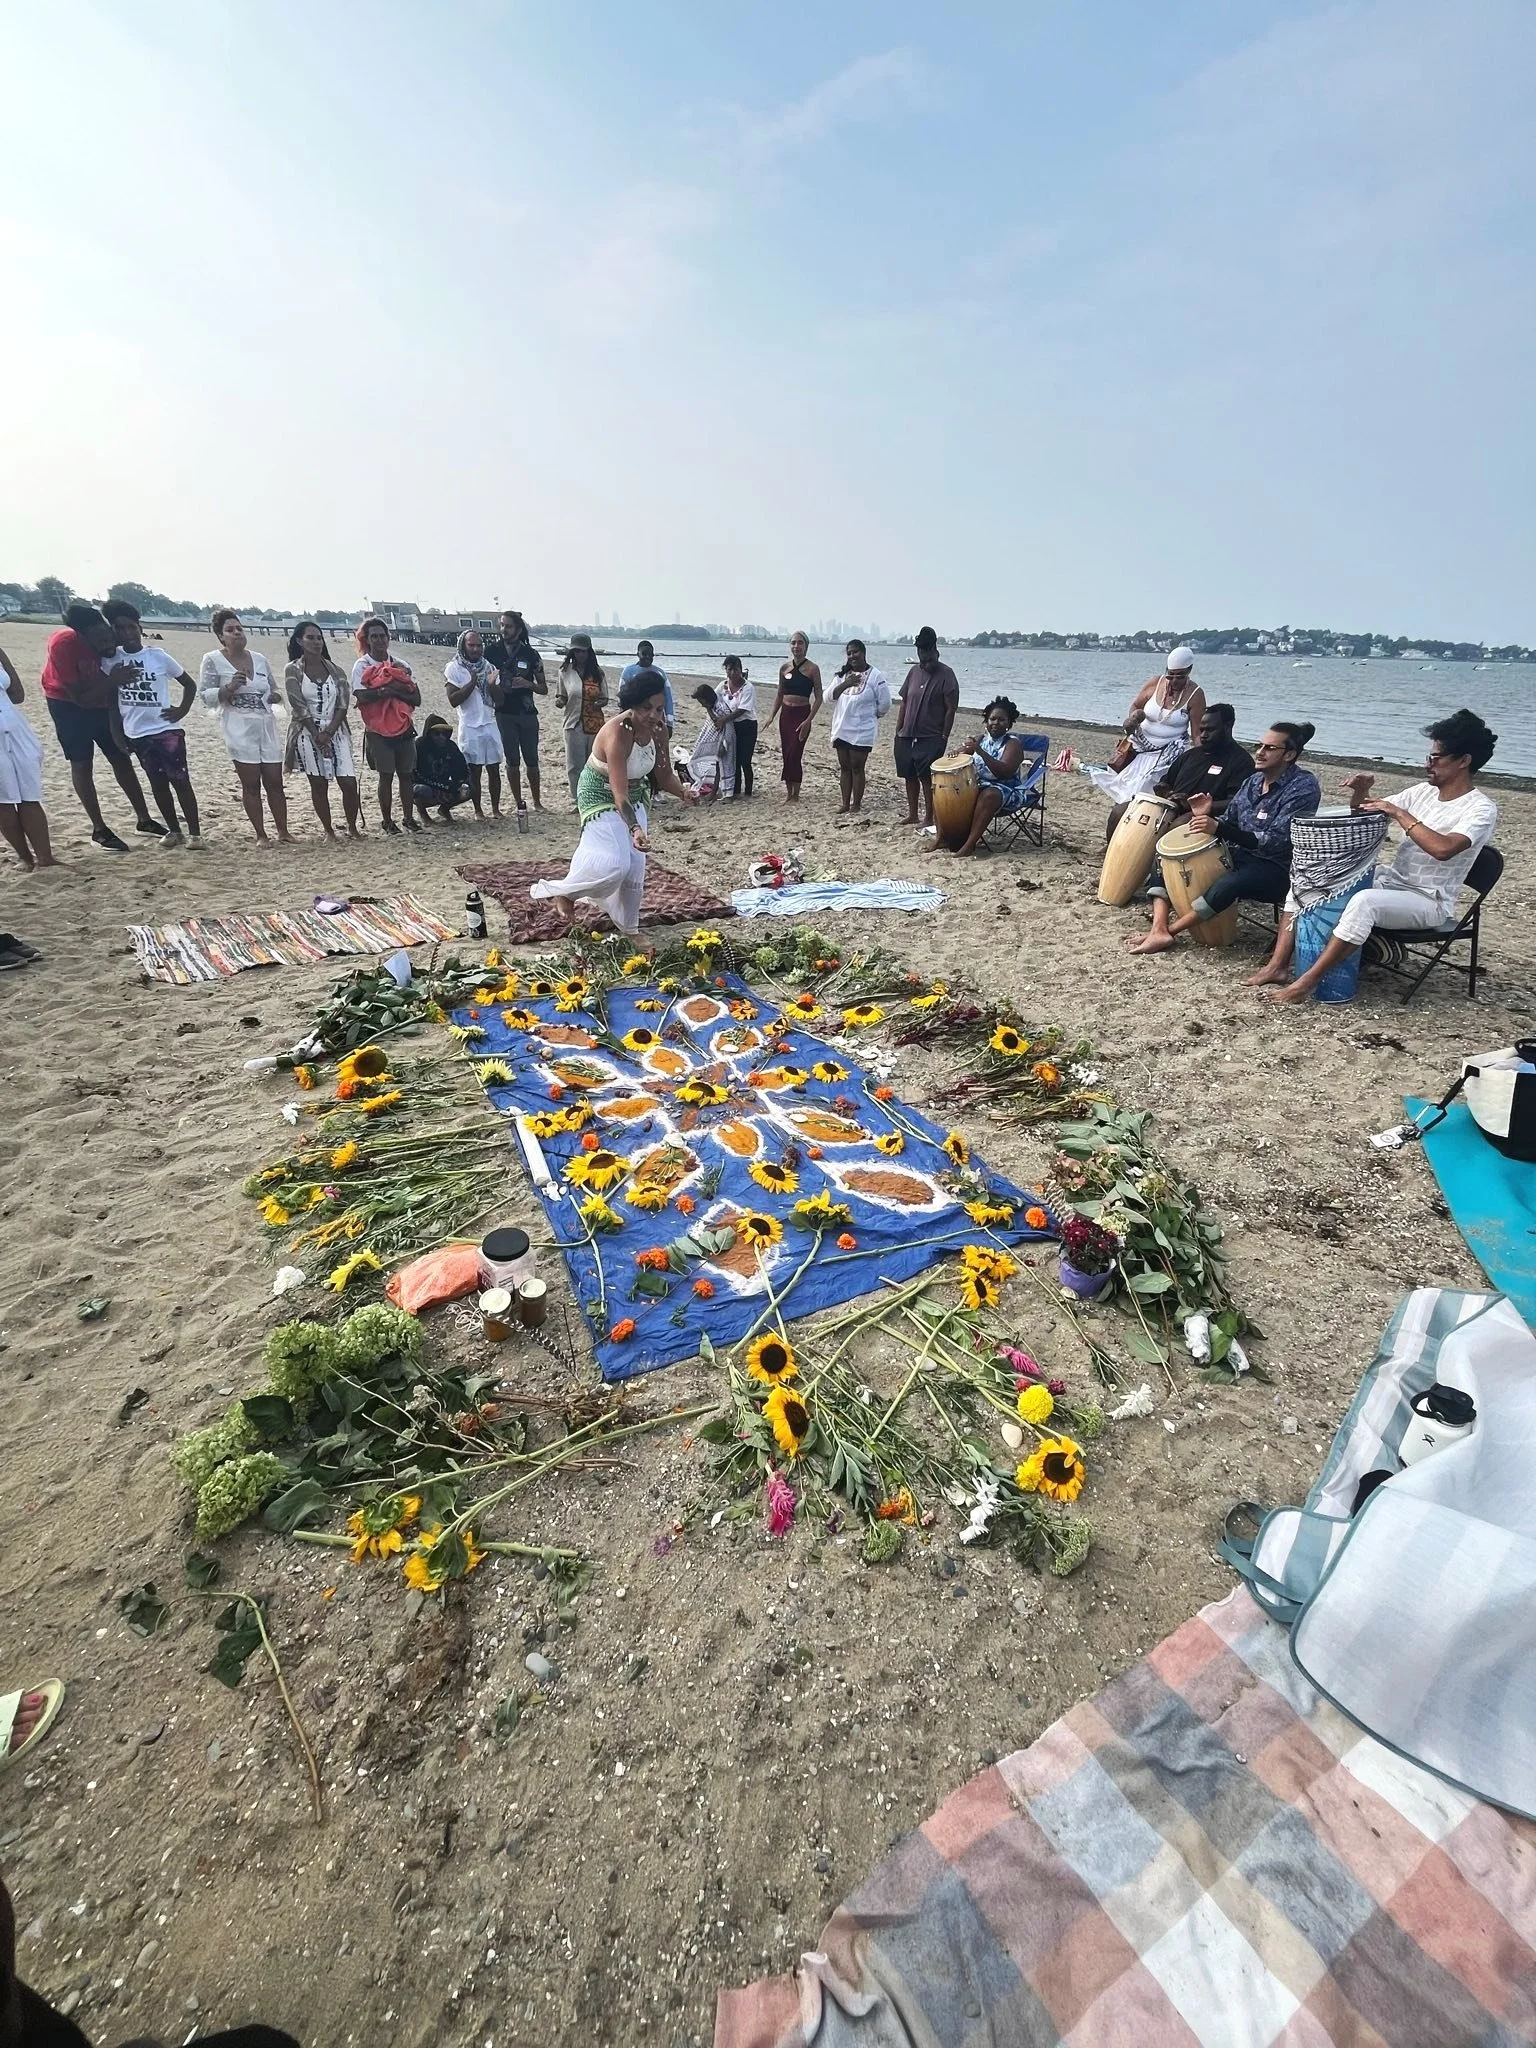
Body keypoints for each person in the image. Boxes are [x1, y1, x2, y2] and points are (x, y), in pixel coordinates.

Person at [1252, 709, 1500, 1003]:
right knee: (1308, 879)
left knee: (1364, 902)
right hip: (1393, 883)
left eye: (1436, 757)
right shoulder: (1422, 792)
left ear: (1463, 761)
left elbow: (1443, 849)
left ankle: (1306, 984)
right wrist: (1362, 792)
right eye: (1429, 756)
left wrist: (1400, 813)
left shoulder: (1479, 808)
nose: (1428, 763)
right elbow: (1363, 814)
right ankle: (1278, 966)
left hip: (1429, 900)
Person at [529, 670, 698, 935]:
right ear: (633, 704)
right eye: (646, 708)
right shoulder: (618, 732)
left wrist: (684, 792)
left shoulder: (659, 730)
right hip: (600, 793)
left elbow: (664, 775)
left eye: (659, 709)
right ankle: (566, 893)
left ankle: (630, 928)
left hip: (635, 793)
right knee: (616, 865)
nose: (654, 715)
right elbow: (619, 794)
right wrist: (635, 828)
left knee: (635, 866)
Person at [1129, 721, 1320, 954]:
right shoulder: (1253, 781)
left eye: (1270, 748)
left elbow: (1275, 841)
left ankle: (1170, 931)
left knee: (1231, 882)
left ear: (1289, 754)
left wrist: (1219, 828)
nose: (1260, 752)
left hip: (1276, 867)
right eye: (1259, 746)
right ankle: (1158, 928)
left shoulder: (1303, 786)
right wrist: (1205, 816)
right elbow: (1229, 821)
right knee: (1165, 855)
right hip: (1238, 854)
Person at [40, 602, 160, 851]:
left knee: (121, 756)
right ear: (83, 637)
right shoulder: (63, 645)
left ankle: (144, 820)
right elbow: (80, 699)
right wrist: (113, 680)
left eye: (109, 638)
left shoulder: (112, 634)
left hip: (103, 702)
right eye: (101, 643)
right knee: (82, 764)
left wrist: (118, 728)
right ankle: (99, 830)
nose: (108, 646)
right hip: (67, 704)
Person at [102, 600, 201, 848]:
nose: (127, 633)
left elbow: (189, 684)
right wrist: (117, 734)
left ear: (140, 627)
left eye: (131, 627)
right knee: (157, 784)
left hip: (166, 730)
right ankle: (174, 831)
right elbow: (112, 702)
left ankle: (196, 834)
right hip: (136, 733)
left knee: (180, 781)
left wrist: (182, 709)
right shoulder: (111, 661)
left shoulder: (157, 656)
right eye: (120, 628)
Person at [199, 608, 292, 845]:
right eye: (230, 630)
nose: (237, 633)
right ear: (221, 636)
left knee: (275, 782)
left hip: (266, 725)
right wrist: (229, 687)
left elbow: (273, 689)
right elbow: (205, 696)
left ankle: (283, 831)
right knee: (251, 784)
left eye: (239, 628)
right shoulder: (213, 659)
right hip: (238, 727)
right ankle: (261, 834)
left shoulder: (259, 659)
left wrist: (275, 697)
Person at [1104, 701, 1253, 846]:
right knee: (1120, 811)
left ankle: (1156, 861)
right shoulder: (1191, 755)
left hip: (1205, 816)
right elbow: (1165, 781)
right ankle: (1114, 853)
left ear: (1227, 727)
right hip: (1171, 807)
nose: (1203, 735)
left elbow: (1237, 803)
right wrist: (1165, 791)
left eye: (1210, 730)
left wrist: (1200, 805)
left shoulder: (1241, 762)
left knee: (1178, 824)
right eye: (1201, 730)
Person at [1087, 646, 1205, 806]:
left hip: (1168, 755)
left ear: (1189, 671)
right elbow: (1136, 705)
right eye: (1171, 675)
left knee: (1144, 793)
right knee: (1125, 792)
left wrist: (1203, 757)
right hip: (1141, 748)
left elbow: (1197, 734)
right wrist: (1132, 719)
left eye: (1180, 676)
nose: (1174, 681)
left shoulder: (1196, 695)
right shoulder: (1155, 683)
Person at [284, 620, 360, 839]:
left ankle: (352, 827)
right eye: (310, 638)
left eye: (319, 638)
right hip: (307, 731)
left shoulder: (336, 671)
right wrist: (317, 733)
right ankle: (328, 830)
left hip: (336, 729)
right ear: (300, 641)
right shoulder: (293, 670)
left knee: (348, 781)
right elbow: (297, 703)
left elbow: (343, 704)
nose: (316, 642)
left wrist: (329, 732)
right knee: (318, 783)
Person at [350, 616, 421, 834]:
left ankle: (408, 818)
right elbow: (360, 696)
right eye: (374, 637)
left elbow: (416, 698)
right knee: (386, 776)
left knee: (406, 774)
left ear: (388, 638)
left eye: (382, 636)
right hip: (377, 730)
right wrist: (386, 691)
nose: (379, 640)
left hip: (403, 726)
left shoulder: (401, 665)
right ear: (367, 640)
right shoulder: (362, 666)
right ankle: (387, 820)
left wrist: (390, 691)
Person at [942, 696, 1032, 857]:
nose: (996, 723)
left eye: (1001, 720)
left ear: (1009, 724)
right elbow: (961, 753)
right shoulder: (981, 739)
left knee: (989, 795)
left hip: (1007, 790)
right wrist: (956, 753)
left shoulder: (1013, 744)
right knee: (945, 788)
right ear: (986, 721)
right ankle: (942, 837)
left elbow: (1003, 772)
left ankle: (969, 845)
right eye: (992, 719)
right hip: (978, 785)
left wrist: (981, 752)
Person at [894, 627, 959, 828]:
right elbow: (905, 701)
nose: (926, 663)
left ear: (935, 651)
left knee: (927, 778)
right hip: (907, 733)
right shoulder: (914, 672)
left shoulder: (947, 674)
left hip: (931, 735)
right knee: (909, 774)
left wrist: (944, 736)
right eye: (922, 659)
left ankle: (929, 817)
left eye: (929, 659)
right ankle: (913, 813)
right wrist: (898, 730)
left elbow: (951, 708)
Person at [484, 609, 547, 814]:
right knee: (512, 760)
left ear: (519, 630)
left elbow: (544, 688)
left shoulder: (531, 654)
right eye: (502, 625)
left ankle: (537, 801)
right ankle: (519, 801)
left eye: (509, 626)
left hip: (527, 712)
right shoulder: (491, 652)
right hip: (503, 713)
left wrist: (529, 684)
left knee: (532, 759)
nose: (504, 630)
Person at [0, 644, 55, 872]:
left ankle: (45, 857)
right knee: (3, 799)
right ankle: (25, 858)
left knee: (30, 795)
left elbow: (18, 694)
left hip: (14, 728)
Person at [443, 628, 505, 820]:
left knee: (494, 769)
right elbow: (453, 700)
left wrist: (492, 685)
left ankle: (495, 809)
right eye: (471, 645)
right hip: (469, 725)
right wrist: (472, 683)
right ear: (463, 645)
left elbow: (500, 700)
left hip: (489, 722)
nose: (476, 649)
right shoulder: (454, 668)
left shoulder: (488, 666)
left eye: (479, 645)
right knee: (474, 771)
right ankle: (478, 810)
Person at [828, 639, 890, 822]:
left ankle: (856, 804)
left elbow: (885, 703)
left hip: (862, 730)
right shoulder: (842, 675)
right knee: (844, 766)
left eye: (855, 652)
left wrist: (873, 715)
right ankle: (845, 803)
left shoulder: (875, 676)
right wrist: (846, 684)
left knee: (857, 767)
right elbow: (828, 697)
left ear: (863, 652)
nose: (852, 656)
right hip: (842, 728)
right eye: (849, 653)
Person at [767, 631, 822, 802]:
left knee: (795, 753)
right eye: (793, 643)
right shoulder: (784, 668)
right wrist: (772, 715)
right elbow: (779, 694)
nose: (796, 646)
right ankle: (788, 792)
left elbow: (819, 698)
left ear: (806, 646)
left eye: (800, 643)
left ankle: (796, 794)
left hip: (802, 714)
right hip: (786, 715)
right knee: (786, 753)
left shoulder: (813, 669)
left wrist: (808, 720)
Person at [553, 633, 609, 802]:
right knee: (574, 765)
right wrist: (560, 701)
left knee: (594, 764)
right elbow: (561, 695)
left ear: (589, 652)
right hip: (573, 723)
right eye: (577, 651)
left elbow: (605, 697)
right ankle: (578, 799)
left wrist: (598, 702)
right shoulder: (565, 671)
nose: (580, 654)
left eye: (583, 651)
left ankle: (593, 796)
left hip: (595, 725)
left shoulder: (597, 672)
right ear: (572, 652)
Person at [412, 713, 473, 821]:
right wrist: (445, 787)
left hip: (442, 784)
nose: (441, 737)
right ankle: (422, 813)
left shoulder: (451, 747)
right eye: (437, 733)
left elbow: (461, 771)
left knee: (469, 789)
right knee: (422, 790)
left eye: (444, 734)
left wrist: (460, 784)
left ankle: (444, 809)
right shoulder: (420, 746)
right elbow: (416, 774)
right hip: (421, 783)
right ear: (429, 734)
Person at [685, 683, 736, 798]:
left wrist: (724, 744)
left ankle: (720, 792)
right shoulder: (713, 706)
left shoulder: (720, 708)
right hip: (717, 739)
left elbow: (720, 725)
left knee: (722, 765)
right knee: (717, 764)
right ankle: (714, 790)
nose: (702, 705)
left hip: (724, 740)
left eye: (702, 701)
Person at [719, 656, 757, 797]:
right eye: (730, 669)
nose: (733, 673)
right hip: (731, 726)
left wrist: (724, 719)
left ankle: (748, 791)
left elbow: (742, 709)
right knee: (733, 758)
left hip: (747, 725)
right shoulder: (723, 685)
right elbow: (714, 698)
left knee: (745, 759)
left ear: (741, 670)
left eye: (736, 669)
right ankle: (735, 789)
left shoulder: (748, 687)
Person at [620, 640, 675, 729]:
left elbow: (668, 699)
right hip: (633, 717)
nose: (647, 657)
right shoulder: (628, 672)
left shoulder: (660, 673)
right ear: (638, 654)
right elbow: (623, 696)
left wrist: (669, 723)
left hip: (655, 719)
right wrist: (624, 715)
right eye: (644, 654)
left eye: (650, 655)